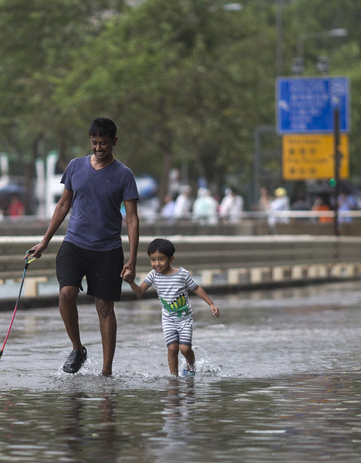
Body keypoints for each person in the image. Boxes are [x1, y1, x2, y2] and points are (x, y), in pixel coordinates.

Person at [29, 118, 140, 377]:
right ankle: (78, 349)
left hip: (108, 249)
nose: (99, 148)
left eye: (103, 143)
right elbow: (63, 206)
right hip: (74, 244)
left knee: (104, 307)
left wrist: (132, 259)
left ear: (114, 141)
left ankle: (106, 370)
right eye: (94, 143)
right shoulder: (76, 167)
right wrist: (44, 241)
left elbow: (132, 219)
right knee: (66, 293)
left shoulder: (124, 174)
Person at [125, 238, 220, 377]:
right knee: (172, 348)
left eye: (161, 259)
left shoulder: (182, 274)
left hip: (184, 318)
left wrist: (211, 304)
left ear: (171, 259)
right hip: (168, 319)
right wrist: (131, 282)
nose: (157, 264)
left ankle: (191, 367)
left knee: (185, 348)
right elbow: (139, 291)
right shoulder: (153, 275)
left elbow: (197, 288)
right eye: (153, 259)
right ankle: (174, 377)